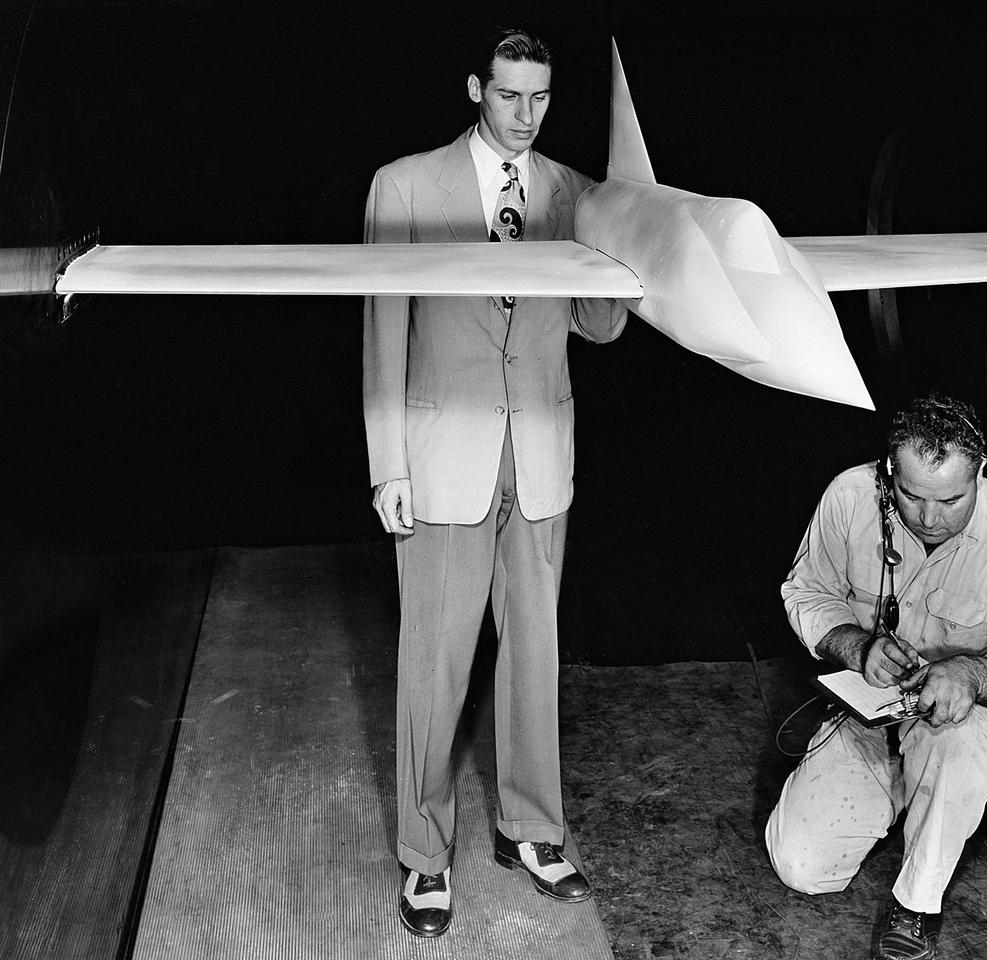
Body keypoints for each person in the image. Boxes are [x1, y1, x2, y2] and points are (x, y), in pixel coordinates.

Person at [362, 28, 627, 938]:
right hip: (442, 460)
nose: (526, 116)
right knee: (433, 666)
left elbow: (597, 327)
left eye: (541, 98)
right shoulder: (403, 186)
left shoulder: (569, 192)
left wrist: (625, 246)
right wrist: (387, 466)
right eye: (510, 96)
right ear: (477, 87)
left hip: (541, 454)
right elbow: (382, 336)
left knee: (536, 657)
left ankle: (535, 830)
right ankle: (424, 857)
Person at [766, 393, 987, 960]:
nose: (929, 518)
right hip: (869, 709)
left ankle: (917, 903)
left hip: (963, 720)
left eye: (952, 499)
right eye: (910, 495)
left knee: (951, 744)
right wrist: (855, 646)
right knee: (801, 866)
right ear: (887, 473)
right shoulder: (849, 497)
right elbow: (805, 591)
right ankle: (909, 794)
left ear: (980, 472)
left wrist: (972, 675)